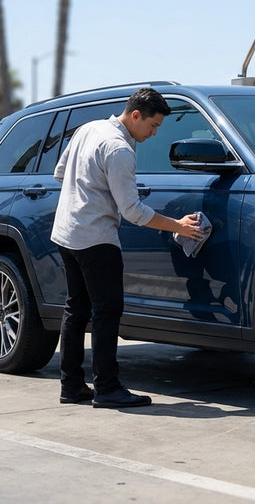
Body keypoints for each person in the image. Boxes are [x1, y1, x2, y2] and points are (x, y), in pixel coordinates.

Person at [52, 87, 204, 408]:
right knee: (107, 313)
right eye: (153, 125)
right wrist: (178, 225)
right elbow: (132, 211)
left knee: (75, 310)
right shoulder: (119, 149)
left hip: (66, 233)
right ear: (136, 115)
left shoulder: (88, 129)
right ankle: (107, 389)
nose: (154, 132)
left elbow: (60, 173)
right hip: (96, 240)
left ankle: (71, 387)